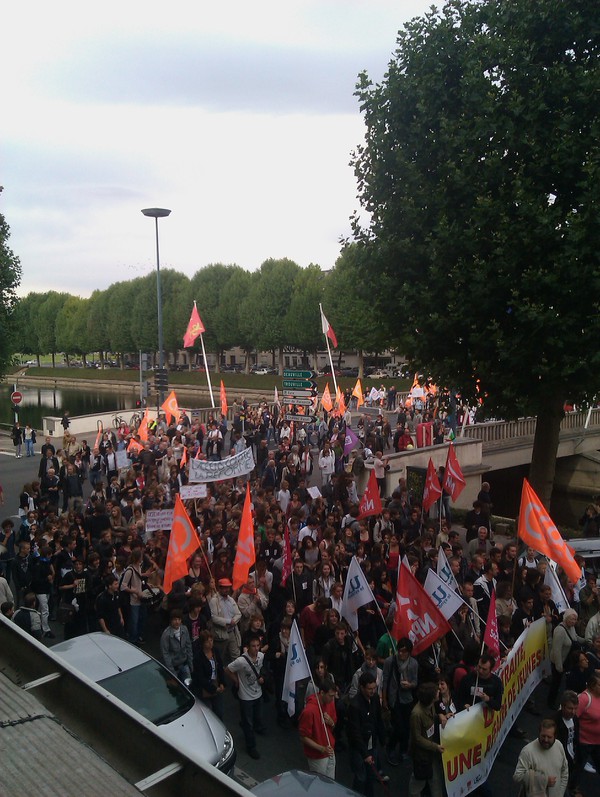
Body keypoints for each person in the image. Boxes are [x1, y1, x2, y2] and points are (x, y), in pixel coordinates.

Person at [226, 635, 267, 760]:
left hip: (258, 693)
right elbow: (227, 669)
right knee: (248, 723)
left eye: (258, 646)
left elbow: (262, 669)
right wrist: (236, 681)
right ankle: (251, 746)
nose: (256, 649)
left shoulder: (261, 656)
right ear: (248, 647)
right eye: (253, 646)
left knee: (257, 716)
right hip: (245, 696)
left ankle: (251, 726)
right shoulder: (241, 661)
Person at [346, 671, 386, 797]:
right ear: (361, 687)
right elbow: (355, 732)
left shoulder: (375, 699)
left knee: (370, 776)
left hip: (371, 743)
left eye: (374, 688)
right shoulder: (354, 706)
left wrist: (382, 738)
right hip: (359, 748)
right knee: (361, 776)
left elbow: (378, 719)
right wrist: (365, 754)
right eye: (370, 689)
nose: (373, 691)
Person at [383, 636, 419, 765]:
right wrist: (384, 699)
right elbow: (385, 680)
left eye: (404, 651)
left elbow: (415, 681)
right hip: (394, 697)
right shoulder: (390, 661)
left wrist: (410, 685)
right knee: (398, 726)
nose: (401, 654)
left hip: (407, 698)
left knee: (406, 726)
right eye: (400, 651)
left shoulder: (413, 664)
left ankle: (403, 749)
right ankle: (391, 747)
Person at [513, 719, 569, 797]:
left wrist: (560, 794)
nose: (546, 740)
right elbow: (517, 776)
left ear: (555, 736)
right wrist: (543, 781)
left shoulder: (559, 746)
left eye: (549, 737)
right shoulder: (528, 751)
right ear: (539, 733)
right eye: (543, 736)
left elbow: (564, 772)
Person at [408, 682, 445, 797]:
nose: (438, 691)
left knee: (435, 781)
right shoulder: (416, 714)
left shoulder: (431, 705)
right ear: (431, 698)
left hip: (431, 752)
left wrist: (441, 716)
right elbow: (417, 738)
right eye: (436, 692)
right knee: (417, 783)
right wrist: (435, 746)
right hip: (422, 756)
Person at [298, 676, 338, 778]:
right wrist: (322, 749)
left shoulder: (330, 703)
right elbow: (303, 737)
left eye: (334, 696)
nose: (332, 699)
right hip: (317, 756)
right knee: (319, 783)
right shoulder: (309, 711)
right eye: (330, 696)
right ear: (322, 693)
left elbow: (332, 726)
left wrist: (332, 723)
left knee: (330, 782)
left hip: (330, 751)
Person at [548, 609, 587, 709]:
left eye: (575, 619)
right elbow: (556, 650)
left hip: (567, 659)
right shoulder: (560, 630)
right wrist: (559, 666)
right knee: (556, 683)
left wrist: (586, 640)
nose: (574, 621)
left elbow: (575, 637)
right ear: (566, 618)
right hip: (560, 661)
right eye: (572, 619)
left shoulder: (572, 627)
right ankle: (550, 702)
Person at [552, 690, 582, 797]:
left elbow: (575, 738)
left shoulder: (575, 719)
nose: (573, 712)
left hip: (571, 758)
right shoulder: (555, 722)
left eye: (575, 708)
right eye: (570, 708)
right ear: (562, 706)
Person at [192, 629, 227, 720]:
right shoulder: (198, 658)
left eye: (211, 640)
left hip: (216, 683)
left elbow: (220, 668)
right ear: (203, 643)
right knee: (208, 713)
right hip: (205, 688)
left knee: (219, 712)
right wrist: (214, 689)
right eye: (207, 642)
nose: (210, 643)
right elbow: (200, 677)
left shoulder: (215, 651)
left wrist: (222, 683)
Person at [208, 577, 242, 666]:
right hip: (221, 633)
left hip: (232, 632)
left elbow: (238, 614)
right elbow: (214, 617)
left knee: (236, 655)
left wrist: (233, 621)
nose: (227, 590)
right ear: (220, 588)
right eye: (224, 588)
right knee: (220, 657)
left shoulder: (231, 600)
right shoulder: (214, 601)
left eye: (228, 587)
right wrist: (228, 621)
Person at [576, 670, 600, 775]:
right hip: (585, 742)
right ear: (592, 686)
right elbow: (573, 718)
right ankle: (572, 784)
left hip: (598, 741)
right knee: (578, 767)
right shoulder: (584, 699)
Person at [160, 609, 194, 682]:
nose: (177, 622)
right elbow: (165, 654)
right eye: (175, 619)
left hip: (184, 664)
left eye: (179, 619)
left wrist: (190, 663)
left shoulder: (184, 629)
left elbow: (188, 646)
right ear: (171, 620)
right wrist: (172, 672)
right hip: (174, 667)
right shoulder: (166, 635)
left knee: (188, 685)